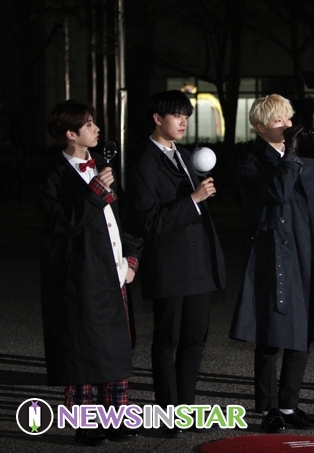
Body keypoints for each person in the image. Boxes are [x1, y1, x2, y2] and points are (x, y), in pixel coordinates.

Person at [39, 100, 141, 445]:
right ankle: (86, 423)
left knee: (116, 349)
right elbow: (61, 223)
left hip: (114, 272)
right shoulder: (53, 173)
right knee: (83, 350)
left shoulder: (100, 164)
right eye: (88, 124)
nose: (96, 128)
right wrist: (95, 192)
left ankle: (117, 418)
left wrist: (131, 258)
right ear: (70, 134)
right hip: (80, 277)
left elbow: (124, 218)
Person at [126, 90, 226, 437]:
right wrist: (194, 199)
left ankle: (186, 409)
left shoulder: (184, 156)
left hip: (197, 264)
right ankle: (167, 413)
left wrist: (199, 197)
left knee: (195, 338)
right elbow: (150, 222)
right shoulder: (144, 163)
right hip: (169, 265)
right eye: (176, 116)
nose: (183, 122)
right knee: (167, 339)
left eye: (186, 116)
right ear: (157, 118)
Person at [230, 94, 314, 433]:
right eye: (278, 120)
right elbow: (276, 194)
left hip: (302, 249)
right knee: (271, 329)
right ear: (260, 127)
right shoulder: (251, 162)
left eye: (289, 118)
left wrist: (293, 155)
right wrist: (292, 156)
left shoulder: (294, 156)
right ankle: (269, 407)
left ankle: (289, 405)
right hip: (272, 251)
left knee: (302, 328)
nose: (287, 125)